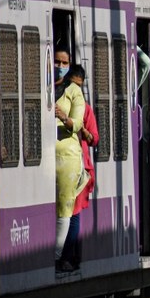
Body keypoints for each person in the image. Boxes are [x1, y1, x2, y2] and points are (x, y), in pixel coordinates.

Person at [57, 65, 99, 271]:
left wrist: (80, 126)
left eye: (79, 85)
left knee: (72, 214)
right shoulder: (57, 102)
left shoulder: (86, 108)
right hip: (60, 162)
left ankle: (66, 256)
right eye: (72, 84)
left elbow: (94, 138)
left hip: (78, 167)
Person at [53, 48, 86, 273]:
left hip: (67, 156)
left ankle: (55, 257)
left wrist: (64, 117)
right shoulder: (46, 88)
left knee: (65, 206)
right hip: (46, 154)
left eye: (64, 62)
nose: (59, 65)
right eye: (56, 61)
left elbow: (78, 123)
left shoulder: (74, 91)